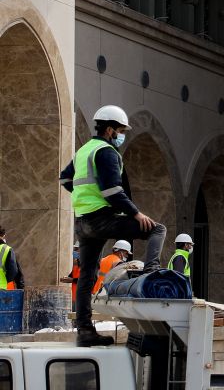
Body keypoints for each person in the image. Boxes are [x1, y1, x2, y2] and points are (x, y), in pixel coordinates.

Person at [59, 105, 166, 347]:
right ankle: (150, 276)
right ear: (109, 130)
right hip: (102, 218)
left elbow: (65, 179)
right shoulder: (106, 152)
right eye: (119, 130)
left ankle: (85, 331)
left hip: (84, 221)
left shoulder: (84, 151)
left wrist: (85, 197)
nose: (121, 135)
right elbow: (113, 191)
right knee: (157, 229)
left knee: (87, 275)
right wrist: (136, 213)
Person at [0, 225, 24, 291]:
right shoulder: (6, 249)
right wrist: (21, 288)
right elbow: (14, 271)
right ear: (3, 235)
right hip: (2, 289)